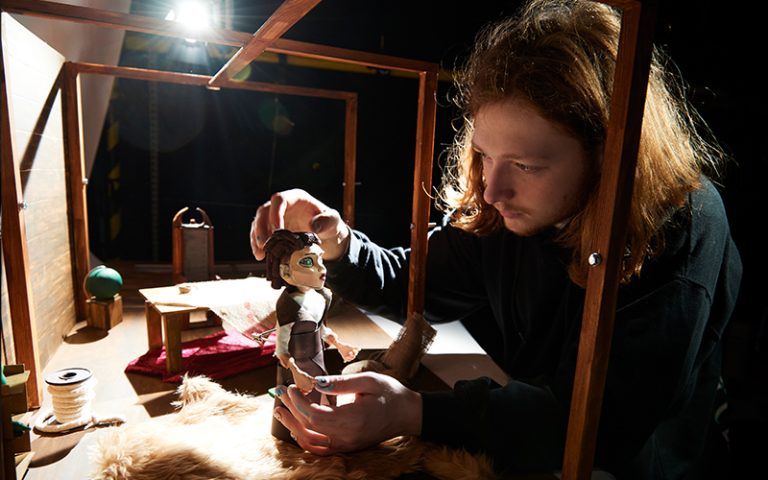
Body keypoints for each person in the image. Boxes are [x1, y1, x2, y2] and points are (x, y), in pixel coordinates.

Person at [250, 0, 742, 477]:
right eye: (484, 155)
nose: (492, 189)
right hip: (530, 441)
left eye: (526, 165)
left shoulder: (677, 223)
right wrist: (336, 239)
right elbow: (416, 281)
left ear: (609, 155)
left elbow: (602, 424)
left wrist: (416, 414)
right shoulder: (507, 209)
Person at [263, 229, 359, 442]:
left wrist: (338, 343)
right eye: (307, 263)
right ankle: (293, 433)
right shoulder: (287, 305)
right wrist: (296, 372)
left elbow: (320, 327)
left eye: (320, 260)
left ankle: (323, 426)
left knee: (323, 395)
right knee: (295, 401)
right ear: (286, 272)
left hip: (318, 357)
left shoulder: (323, 296)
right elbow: (281, 348)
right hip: (297, 365)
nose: (321, 269)